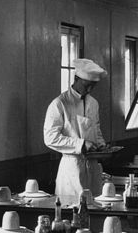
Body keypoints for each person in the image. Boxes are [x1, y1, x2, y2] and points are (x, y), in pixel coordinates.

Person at [43, 58, 107, 197]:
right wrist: (81, 144)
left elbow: (96, 129)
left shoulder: (93, 103)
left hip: (93, 168)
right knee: (72, 210)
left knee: (95, 208)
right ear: (76, 78)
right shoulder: (60, 104)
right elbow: (50, 138)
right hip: (72, 168)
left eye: (93, 86)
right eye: (87, 85)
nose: (89, 90)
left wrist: (101, 145)